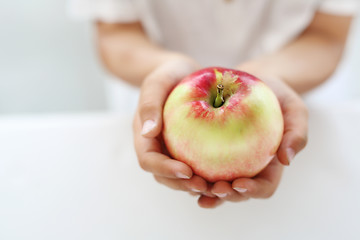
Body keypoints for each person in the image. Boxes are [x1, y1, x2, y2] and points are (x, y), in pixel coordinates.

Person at [69, 0, 357, 208]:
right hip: (160, 116)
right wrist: (167, 68)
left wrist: (270, 77)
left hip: (289, 112)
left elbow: (327, 35)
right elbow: (116, 31)